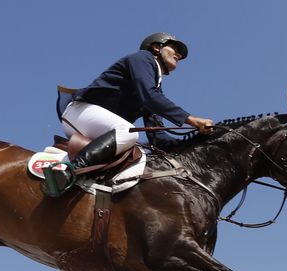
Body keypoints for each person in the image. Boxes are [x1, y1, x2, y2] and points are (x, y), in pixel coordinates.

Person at [42, 32, 214, 197]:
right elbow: (150, 96)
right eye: (173, 48)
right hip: (80, 112)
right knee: (128, 131)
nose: (178, 54)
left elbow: (158, 137)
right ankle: (66, 172)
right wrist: (191, 120)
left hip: (100, 125)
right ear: (156, 47)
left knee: (140, 154)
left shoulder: (155, 87)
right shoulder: (142, 59)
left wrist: (194, 141)